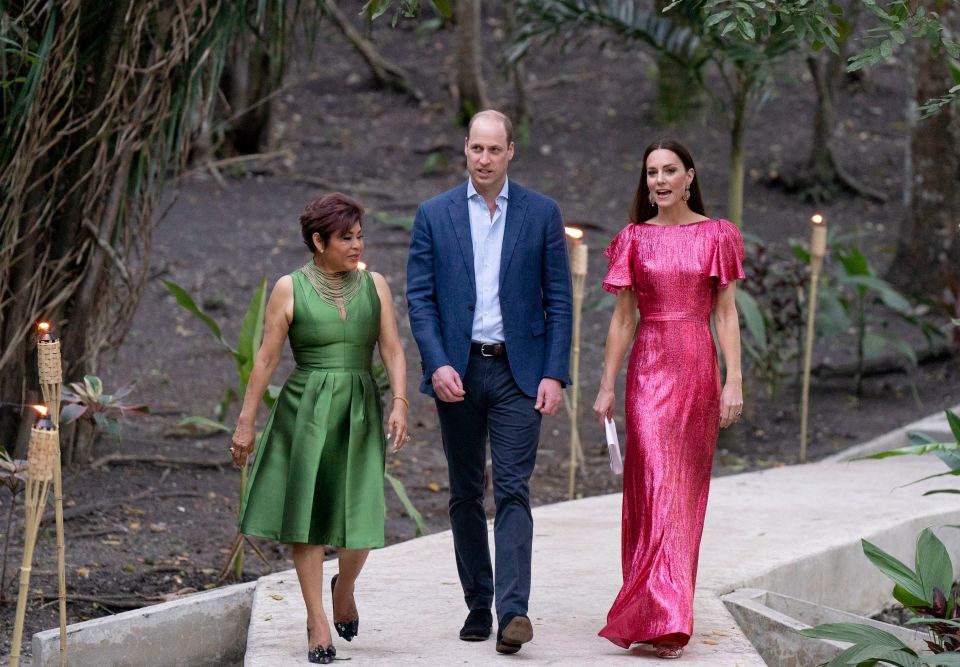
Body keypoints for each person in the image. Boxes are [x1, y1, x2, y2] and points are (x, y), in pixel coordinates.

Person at [406, 110, 572, 655]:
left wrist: (554, 372)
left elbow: (559, 300)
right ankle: (479, 603)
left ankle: (514, 612)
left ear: (510, 152)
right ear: (465, 150)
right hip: (458, 369)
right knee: (464, 491)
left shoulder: (542, 213)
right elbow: (421, 299)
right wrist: (435, 363)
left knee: (514, 489)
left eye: (493, 150)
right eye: (475, 149)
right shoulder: (434, 215)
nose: (483, 159)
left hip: (518, 372)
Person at [230, 193, 409, 664]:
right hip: (306, 412)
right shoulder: (290, 288)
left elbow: (391, 348)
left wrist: (400, 402)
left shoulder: (376, 285)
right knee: (308, 519)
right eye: (346, 238)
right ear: (318, 241)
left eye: (359, 236)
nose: (357, 245)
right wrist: (246, 423)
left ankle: (343, 587)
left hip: (360, 409)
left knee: (362, 518)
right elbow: (267, 357)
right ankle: (316, 621)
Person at [592, 139, 744, 659]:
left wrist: (734, 379)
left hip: (698, 368)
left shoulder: (717, 235)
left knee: (684, 495)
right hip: (649, 372)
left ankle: (670, 617)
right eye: (652, 171)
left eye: (669, 171)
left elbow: (724, 312)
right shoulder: (633, 238)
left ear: (689, 176)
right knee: (654, 485)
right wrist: (608, 382)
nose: (659, 180)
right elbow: (622, 318)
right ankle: (656, 613)